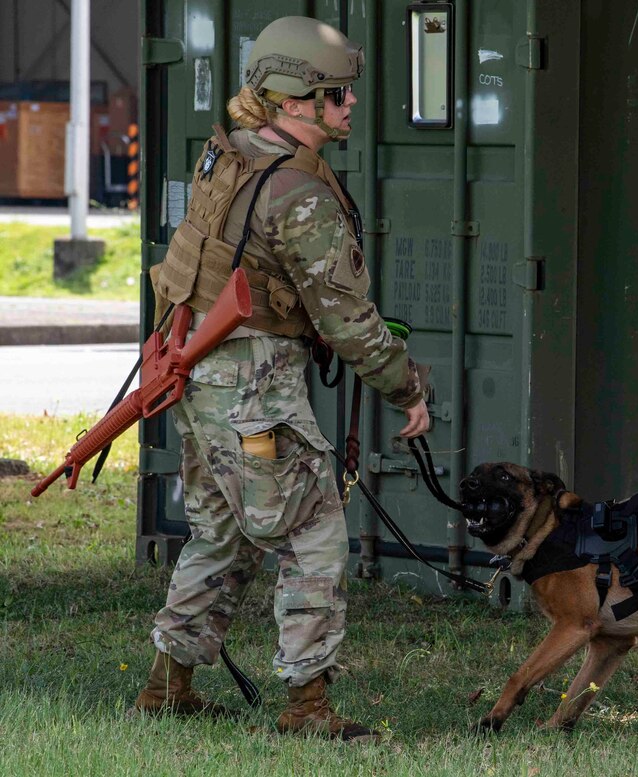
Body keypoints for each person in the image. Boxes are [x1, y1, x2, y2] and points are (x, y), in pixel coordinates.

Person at [132, 16, 429, 742]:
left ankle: (167, 688)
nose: (350, 105)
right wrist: (407, 389)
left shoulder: (230, 150)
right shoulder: (298, 193)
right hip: (253, 389)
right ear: (296, 101)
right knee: (312, 533)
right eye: (336, 95)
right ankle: (307, 708)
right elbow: (348, 321)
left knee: (223, 532)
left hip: (196, 374)